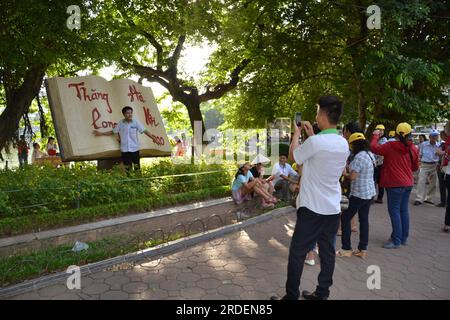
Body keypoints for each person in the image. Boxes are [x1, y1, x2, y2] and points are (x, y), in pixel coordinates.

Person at [271, 95, 349, 300]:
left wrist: (297, 134)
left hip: (312, 208)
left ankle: (291, 296)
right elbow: (325, 159)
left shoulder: (316, 142)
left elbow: (293, 157)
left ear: (322, 115)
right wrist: (312, 134)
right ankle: (322, 293)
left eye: (317, 112)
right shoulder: (343, 143)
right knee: (327, 253)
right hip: (332, 208)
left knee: (297, 253)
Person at [370, 123, 419, 249]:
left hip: (394, 184)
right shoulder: (413, 148)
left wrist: (375, 136)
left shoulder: (390, 146)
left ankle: (396, 240)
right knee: (403, 211)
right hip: (408, 183)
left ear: (396, 133)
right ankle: (403, 238)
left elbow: (373, 148)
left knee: (395, 211)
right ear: (409, 134)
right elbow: (415, 167)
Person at [337, 133, 376, 258]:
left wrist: (345, 173)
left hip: (359, 193)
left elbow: (352, 176)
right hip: (369, 192)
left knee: (345, 218)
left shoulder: (359, 156)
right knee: (364, 219)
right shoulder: (369, 154)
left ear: (355, 144)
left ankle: (346, 248)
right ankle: (362, 249)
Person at [93, 106, 162, 171]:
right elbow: (113, 131)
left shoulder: (136, 122)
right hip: (125, 149)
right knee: (128, 169)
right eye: (128, 113)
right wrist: (101, 133)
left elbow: (145, 131)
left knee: (137, 168)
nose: (130, 114)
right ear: (124, 114)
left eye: (131, 113)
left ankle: (139, 182)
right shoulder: (120, 123)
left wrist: (154, 139)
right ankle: (130, 182)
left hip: (135, 148)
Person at [414, 130, 440, 206]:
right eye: (433, 136)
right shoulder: (424, 144)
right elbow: (420, 154)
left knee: (433, 183)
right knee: (421, 182)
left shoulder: (438, 145)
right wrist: (419, 163)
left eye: (436, 136)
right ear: (429, 137)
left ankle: (429, 198)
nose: (435, 137)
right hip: (424, 164)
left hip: (434, 165)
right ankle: (419, 198)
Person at [373, 124, 387, 204]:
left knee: (380, 182)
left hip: (381, 164)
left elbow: (378, 149)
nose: (380, 131)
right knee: (373, 181)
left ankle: (379, 198)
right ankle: (372, 198)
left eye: (381, 130)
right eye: (378, 129)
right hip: (375, 163)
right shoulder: (376, 139)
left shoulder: (384, 140)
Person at [435, 131, 447, 207]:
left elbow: (441, 152)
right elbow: (437, 152)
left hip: (447, 167)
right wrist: (445, 152)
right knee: (441, 185)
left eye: (442, 135)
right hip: (440, 166)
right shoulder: (443, 144)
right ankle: (443, 202)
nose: (442, 137)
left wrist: (443, 152)